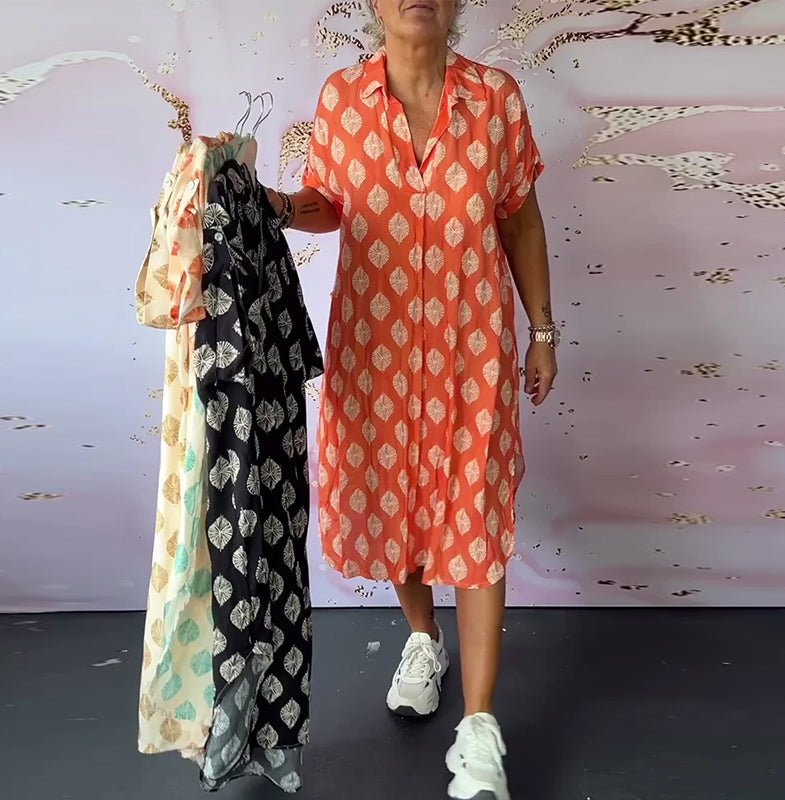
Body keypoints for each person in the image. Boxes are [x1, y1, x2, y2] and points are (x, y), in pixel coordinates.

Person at [266, 2, 557, 797]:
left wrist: (542, 331)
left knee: (475, 515)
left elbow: (522, 221)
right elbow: (328, 200)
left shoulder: (495, 99)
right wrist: (280, 206)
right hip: (376, 350)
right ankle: (424, 638)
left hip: (472, 350)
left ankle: (480, 727)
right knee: (394, 503)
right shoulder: (341, 99)